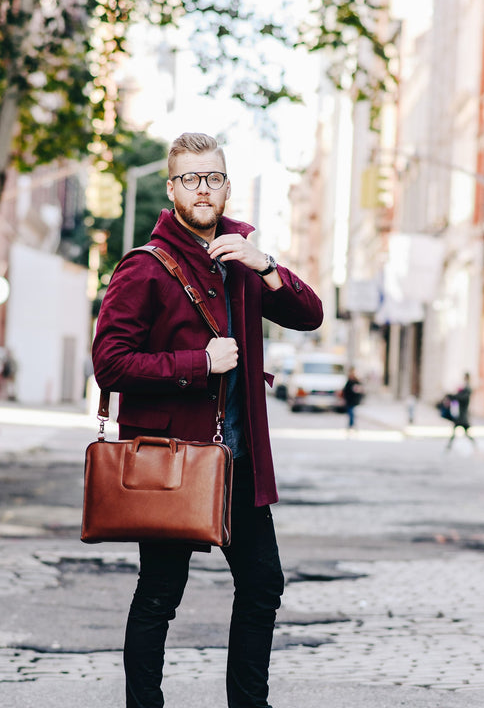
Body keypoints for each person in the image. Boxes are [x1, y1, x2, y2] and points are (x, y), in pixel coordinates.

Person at [91, 132, 324, 708]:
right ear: (171, 189)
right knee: (160, 593)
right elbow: (110, 362)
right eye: (191, 178)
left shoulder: (241, 258)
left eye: (213, 177)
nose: (203, 188)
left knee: (263, 584)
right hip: (174, 460)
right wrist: (199, 363)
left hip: (238, 458)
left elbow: (310, 315)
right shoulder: (143, 269)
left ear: (226, 185)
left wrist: (266, 264)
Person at [445, 372, 476, 450]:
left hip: (463, 415)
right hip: (461, 414)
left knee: (463, 431)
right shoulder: (465, 387)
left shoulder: (467, 388)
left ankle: (473, 444)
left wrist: (453, 396)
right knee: (460, 431)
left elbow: (462, 398)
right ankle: (450, 445)